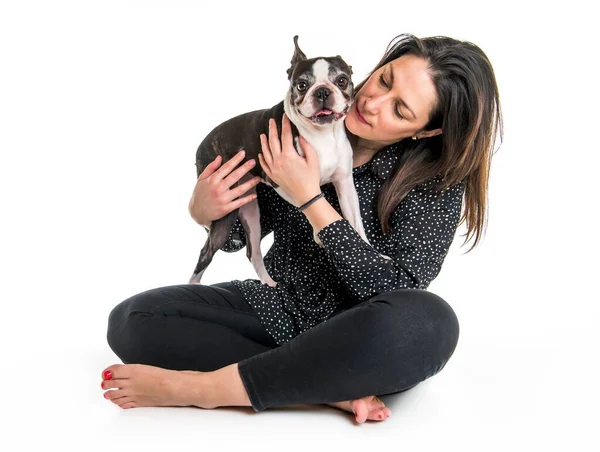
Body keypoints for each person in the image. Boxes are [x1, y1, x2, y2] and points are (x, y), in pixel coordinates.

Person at [101, 33, 503, 424]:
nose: (374, 102)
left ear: (426, 130)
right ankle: (324, 388)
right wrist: (205, 209)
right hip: (279, 311)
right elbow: (245, 231)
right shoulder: (300, 124)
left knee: (430, 322)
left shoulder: (437, 183)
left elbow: (394, 289)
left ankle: (206, 390)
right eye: (383, 79)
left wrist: (312, 201)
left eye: (400, 110)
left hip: (360, 338)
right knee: (131, 320)